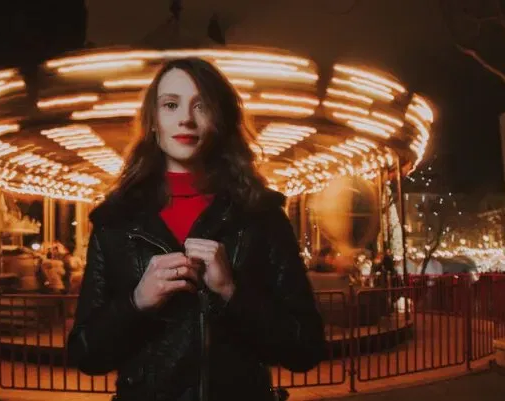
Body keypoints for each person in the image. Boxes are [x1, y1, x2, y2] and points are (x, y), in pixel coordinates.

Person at [67, 57, 326, 401]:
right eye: (171, 105)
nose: (186, 118)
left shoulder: (260, 217)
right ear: (154, 122)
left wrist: (232, 292)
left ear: (220, 120)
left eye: (201, 106)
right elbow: (86, 353)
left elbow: (305, 348)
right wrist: (137, 302)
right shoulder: (116, 222)